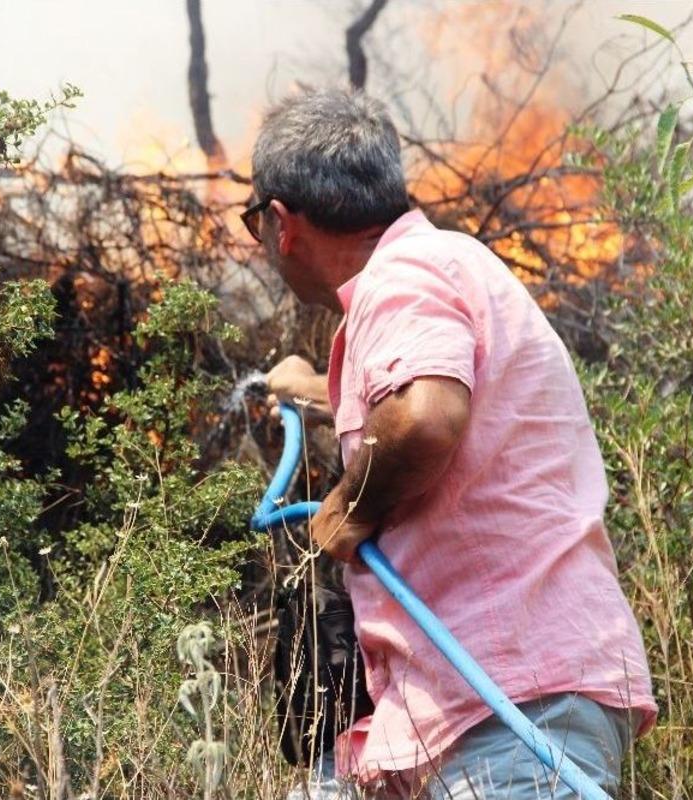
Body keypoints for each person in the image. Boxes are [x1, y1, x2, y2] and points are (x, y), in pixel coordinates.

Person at [243, 88, 657, 799]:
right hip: (464, 710)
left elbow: (426, 416)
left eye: (255, 224)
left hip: (513, 711)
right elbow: (405, 395)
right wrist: (312, 389)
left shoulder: (403, 278)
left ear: (282, 223)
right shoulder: (441, 268)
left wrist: (349, 506)